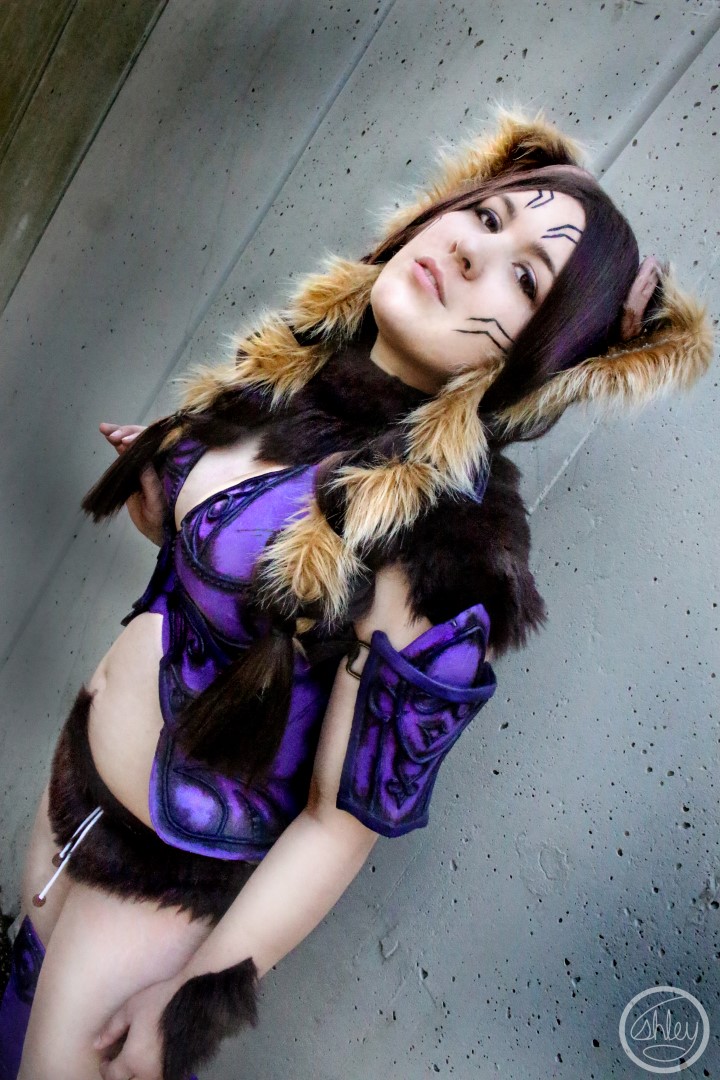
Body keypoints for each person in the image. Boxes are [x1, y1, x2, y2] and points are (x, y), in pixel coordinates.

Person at [0, 109, 712, 1080]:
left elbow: (342, 820)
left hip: (155, 895)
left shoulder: (453, 545)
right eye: (487, 217)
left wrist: (195, 994)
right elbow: (226, 586)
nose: (474, 253)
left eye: (524, 278)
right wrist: (168, 494)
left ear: (541, 361)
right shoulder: (298, 377)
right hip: (66, 807)